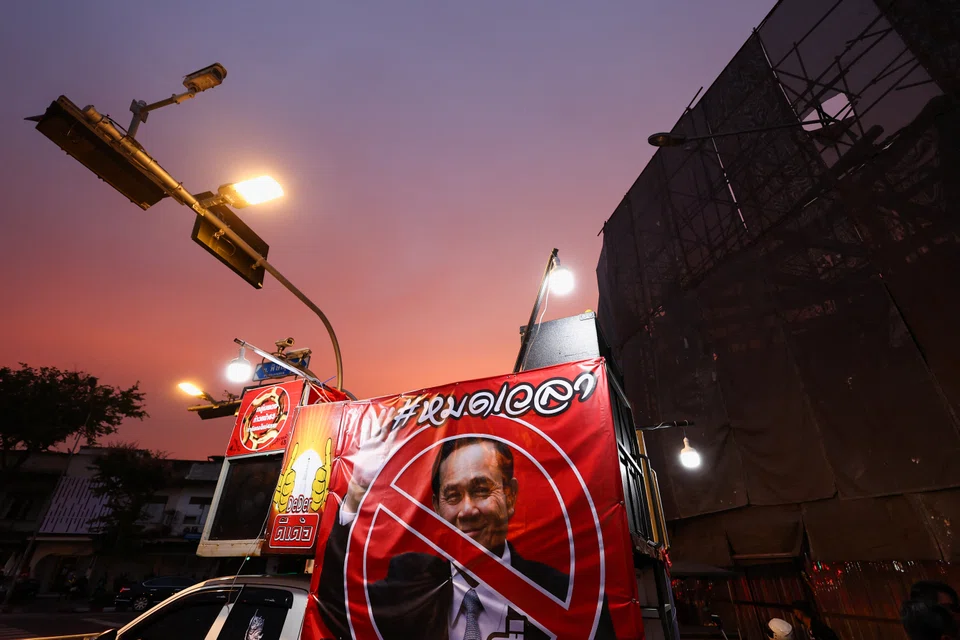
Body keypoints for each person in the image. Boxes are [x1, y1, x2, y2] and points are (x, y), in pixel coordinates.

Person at [317, 434, 617, 639]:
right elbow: (336, 604)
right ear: (436, 507)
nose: (468, 510)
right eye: (452, 496)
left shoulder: (564, 596)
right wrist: (355, 497)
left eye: (482, 489)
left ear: (510, 496)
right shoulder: (409, 581)